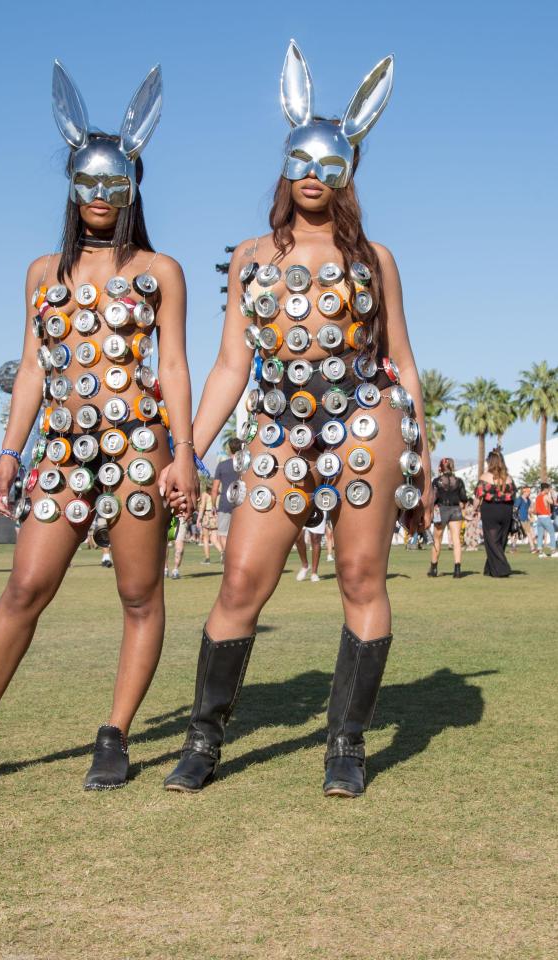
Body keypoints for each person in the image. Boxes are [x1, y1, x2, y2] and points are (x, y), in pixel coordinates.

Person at [161, 44, 431, 798]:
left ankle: (345, 743)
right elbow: (228, 367)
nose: (312, 174)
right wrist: (187, 448)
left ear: (350, 168)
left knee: (360, 576)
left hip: (367, 422)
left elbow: (403, 362)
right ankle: (203, 740)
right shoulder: (251, 256)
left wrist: (423, 465)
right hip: (276, 430)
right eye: (300, 161)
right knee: (242, 578)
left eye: (328, 162)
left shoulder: (375, 258)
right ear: (285, 167)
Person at [0, 59, 195, 793]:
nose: (102, 198)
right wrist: (10, 452)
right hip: (61, 453)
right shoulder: (42, 271)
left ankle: (113, 735)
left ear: (135, 184)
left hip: (141, 448)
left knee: (141, 596)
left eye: (115, 184)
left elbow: (173, 368)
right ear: (72, 186)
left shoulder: (161, 270)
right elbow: (30, 370)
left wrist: (186, 455)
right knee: (24, 586)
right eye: (89, 184)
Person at [474, 449, 516, 577]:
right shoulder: (509, 478)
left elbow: (478, 496)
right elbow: (514, 496)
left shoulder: (485, 477)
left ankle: (503, 568)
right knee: (501, 540)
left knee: (492, 541)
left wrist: (475, 509)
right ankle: (490, 569)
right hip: (506, 510)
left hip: (490, 509)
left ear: (490, 462)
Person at [428, 457, 468, 578]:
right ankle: (457, 570)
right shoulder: (459, 481)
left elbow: (433, 498)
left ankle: (433, 569)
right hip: (455, 510)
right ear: (452, 467)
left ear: (440, 467)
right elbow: (464, 498)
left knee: (437, 539)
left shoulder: (437, 481)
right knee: (456, 540)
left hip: (441, 510)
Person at [213, 438, 242, 553]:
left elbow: (215, 489)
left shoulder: (222, 465)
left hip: (225, 503)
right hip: (241, 503)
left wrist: (214, 505)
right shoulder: (244, 465)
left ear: (229, 449)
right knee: (239, 535)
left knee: (223, 534)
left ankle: (227, 558)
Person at [295, 510, 326, 582]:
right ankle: (305, 566)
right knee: (298, 537)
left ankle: (314, 573)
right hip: (302, 506)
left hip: (317, 506)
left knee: (315, 538)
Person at [197, 479, 222, 563]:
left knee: (206, 538)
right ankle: (223, 553)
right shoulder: (218, 494)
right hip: (216, 516)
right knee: (214, 539)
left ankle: (207, 558)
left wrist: (199, 518)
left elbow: (202, 507)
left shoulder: (205, 494)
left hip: (207, 516)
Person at [534, 482, 558, 558]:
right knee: (552, 533)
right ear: (545, 489)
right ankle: (553, 551)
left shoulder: (537, 497)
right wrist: (552, 495)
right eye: (548, 489)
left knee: (540, 535)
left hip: (539, 518)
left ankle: (540, 553)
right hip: (545, 517)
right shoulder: (545, 496)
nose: (549, 490)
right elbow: (552, 503)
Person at [513, 486, 537, 554]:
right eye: (528, 492)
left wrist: (531, 500)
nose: (529, 493)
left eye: (530, 492)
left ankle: (513, 547)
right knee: (525, 533)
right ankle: (532, 548)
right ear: (524, 491)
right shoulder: (519, 499)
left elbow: (530, 509)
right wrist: (516, 518)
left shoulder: (528, 500)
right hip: (520, 519)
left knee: (523, 533)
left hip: (526, 519)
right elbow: (515, 509)